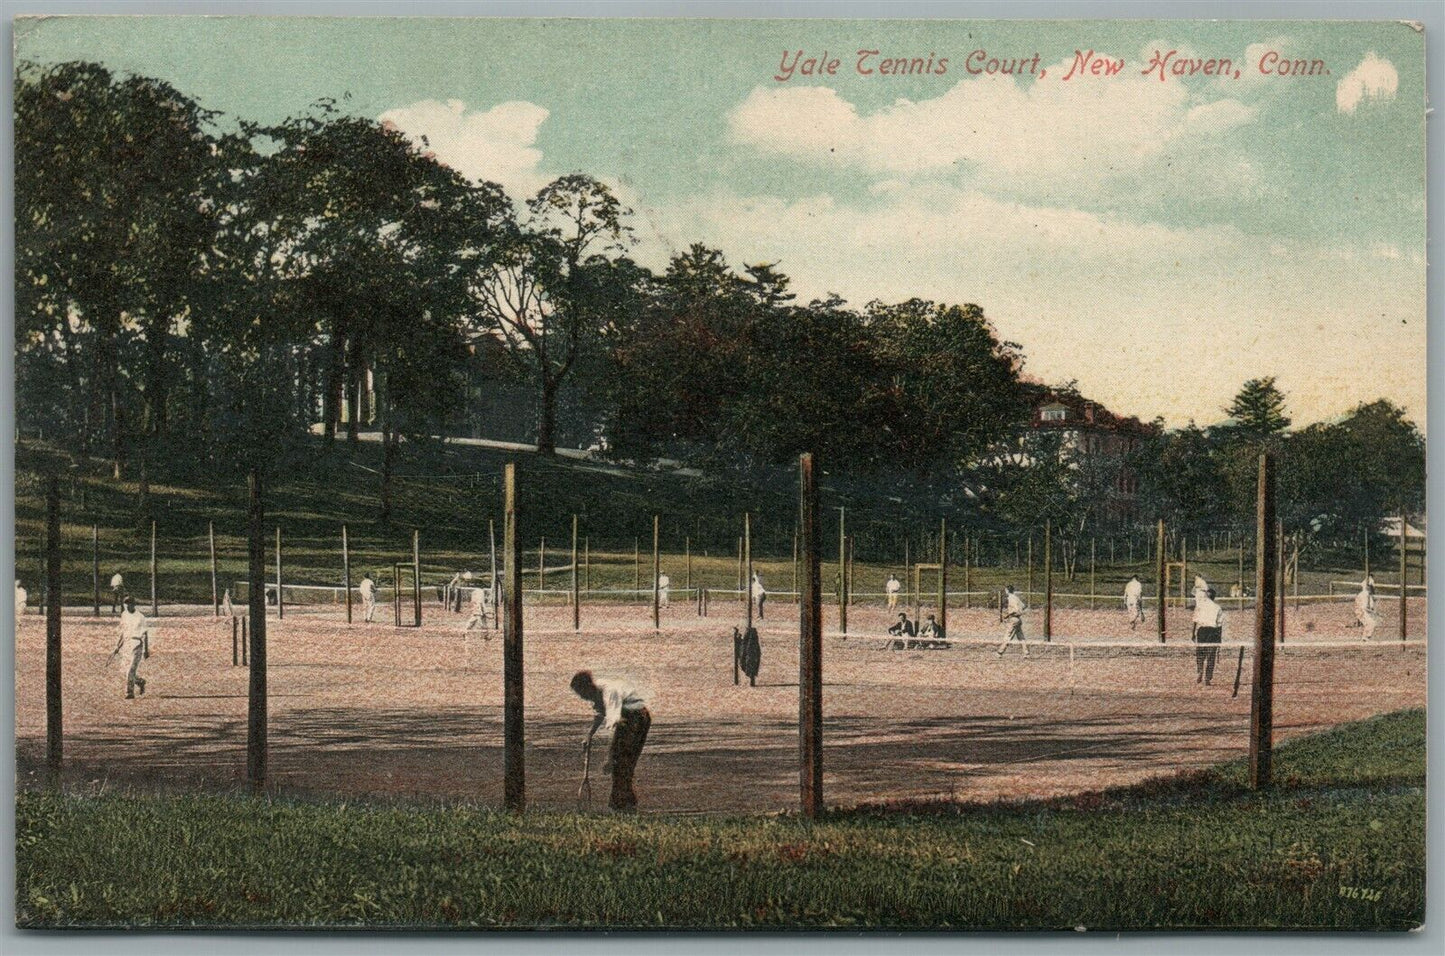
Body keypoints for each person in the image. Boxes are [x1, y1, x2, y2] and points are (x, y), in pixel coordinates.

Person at [571, 670, 651, 812]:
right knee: (621, 765)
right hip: (632, 716)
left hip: (635, 717)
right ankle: (625, 804)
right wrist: (589, 734)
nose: (582, 698)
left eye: (581, 694)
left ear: (588, 687)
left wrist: (610, 757)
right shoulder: (597, 690)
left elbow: (618, 724)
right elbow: (600, 712)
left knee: (621, 763)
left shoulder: (609, 693)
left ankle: (623, 806)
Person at [112, 596, 151, 699]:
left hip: (137, 645)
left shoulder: (140, 617)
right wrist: (117, 646)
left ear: (133, 604)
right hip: (127, 645)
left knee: (130, 670)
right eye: (126, 604)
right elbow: (123, 632)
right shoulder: (124, 615)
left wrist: (146, 650)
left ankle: (129, 692)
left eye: (129, 604)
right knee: (127, 671)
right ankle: (140, 681)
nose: (127, 606)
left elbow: (145, 634)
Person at [1191, 587, 1224, 686]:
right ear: (1214, 597)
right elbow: (1219, 624)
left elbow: (1195, 620)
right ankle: (1207, 678)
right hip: (1213, 632)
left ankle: (1200, 671)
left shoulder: (1200, 606)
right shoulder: (1218, 607)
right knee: (1211, 656)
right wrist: (1219, 639)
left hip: (1202, 631)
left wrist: (1193, 634)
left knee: (1200, 653)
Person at [997, 585, 1029, 658]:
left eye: (1005, 590)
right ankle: (1026, 653)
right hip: (1018, 619)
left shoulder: (1011, 598)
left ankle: (1000, 652)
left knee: (1008, 636)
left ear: (1007, 590)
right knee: (1021, 637)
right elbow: (1023, 606)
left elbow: (1015, 610)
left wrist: (1007, 615)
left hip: (1013, 620)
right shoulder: (1016, 598)